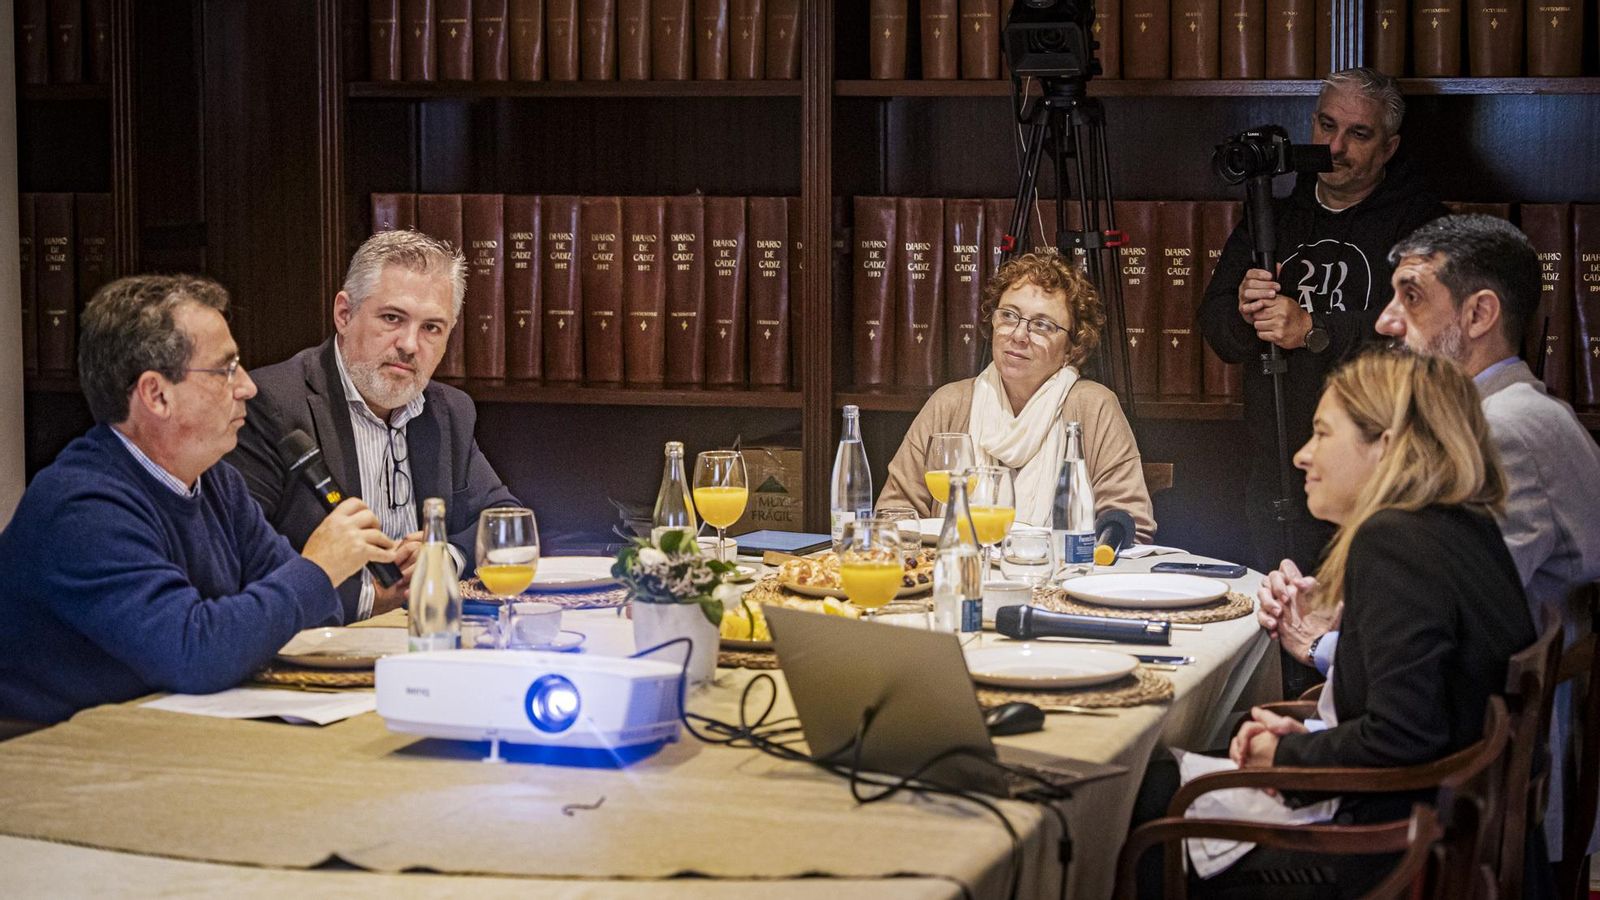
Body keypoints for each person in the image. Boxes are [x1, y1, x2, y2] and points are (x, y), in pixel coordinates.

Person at [1258, 214, 1600, 863]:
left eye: (1411, 297)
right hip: (1470, 778)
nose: (1387, 322)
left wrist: (1320, 643)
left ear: (1479, 314)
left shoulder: (1498, 435)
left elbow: (1442, 664)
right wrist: (1340, 613)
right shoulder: (1517, 414)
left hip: (1453, 809)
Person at [1141, 350, 1534, 898]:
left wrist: (1284, 757)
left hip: (1384, 854)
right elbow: (1418, 709)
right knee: (1158, 779)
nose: (1302, 455)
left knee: (1142, 815)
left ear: (1386, 447)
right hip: (1438, 828)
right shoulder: (1461, 523)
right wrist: (1311, 738)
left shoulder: (1395, 541)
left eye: (1323, 433)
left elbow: (1404, 734)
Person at [0, 276, 396, 725]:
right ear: (157, 394)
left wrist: (308, 584)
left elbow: (313, 614)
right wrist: (319, 568)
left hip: (163, 730)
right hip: (56, 749)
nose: (247, 386)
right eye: (226, 370)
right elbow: (194, 653)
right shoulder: (81, 506)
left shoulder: (215, 482)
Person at [1199, 67, 1449, 579]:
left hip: (1381, 473)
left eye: (1359, 134)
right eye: (1327, 126)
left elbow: (1428, 338)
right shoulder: (1271, 215)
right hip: (1276, 467)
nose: (1335, 147)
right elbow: (1217, 329)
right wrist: (1247, 313)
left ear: (1389, 146)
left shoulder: (1422, 225)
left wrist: (1313, 330)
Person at [227, 231, 521, 624]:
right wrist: (367, 597)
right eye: (392, 318)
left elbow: (506, 520)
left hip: (425, 635)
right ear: (344, 314)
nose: (410, 345)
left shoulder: (449, 410)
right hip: (321, 640)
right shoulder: (271, 403)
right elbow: (238, 558)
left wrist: (443, 557)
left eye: (432, 328)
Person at [877, 251, 1155, 540]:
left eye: (1042, 325)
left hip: (1057, 568)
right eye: (1009, 316)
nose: (1019, 335)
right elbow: (893, 514)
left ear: (1073, 348)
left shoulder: (1093, 407)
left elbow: (1129, 526)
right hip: (957, 566)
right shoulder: (949, 404)